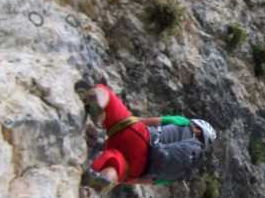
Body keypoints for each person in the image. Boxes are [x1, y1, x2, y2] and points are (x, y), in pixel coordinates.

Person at [75, 80, 216, 192]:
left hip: (141, 137)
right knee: (115, 164)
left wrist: (126, 122)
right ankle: (106, 178)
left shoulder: (185, 123)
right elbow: (144, 180)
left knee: (105, 91)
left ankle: (98, 103)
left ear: (197, 127)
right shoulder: (181, 172)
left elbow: (153, 122)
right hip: (138, 166)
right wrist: (124, 177)